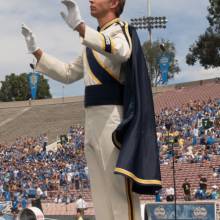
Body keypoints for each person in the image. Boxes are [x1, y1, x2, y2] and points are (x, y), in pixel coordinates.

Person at [21, 0, 161, 219]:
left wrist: (81, 28)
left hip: (113, 118)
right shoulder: (91, 43)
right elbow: (68, 73)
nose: (91, 0)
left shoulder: (121, 30)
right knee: (100, 195)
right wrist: (37, 52)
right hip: (92, 120)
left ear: (114, 3)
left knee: (118, 193)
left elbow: (121, 51)